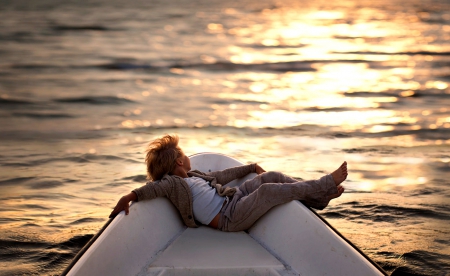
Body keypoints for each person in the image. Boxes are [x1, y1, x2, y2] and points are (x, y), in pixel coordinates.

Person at [109, 134, 347, 232]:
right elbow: (153, 188)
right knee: (268, 191)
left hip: (233, 199)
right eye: (185, 155)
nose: (188, 157)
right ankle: (324, 184)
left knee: (270, 176)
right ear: (180, 162)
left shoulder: (194, 177)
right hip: (229, 217)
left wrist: (252, 167)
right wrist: (129, 196)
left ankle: (318, 198)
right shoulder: (172, 184)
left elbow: (223, 176)